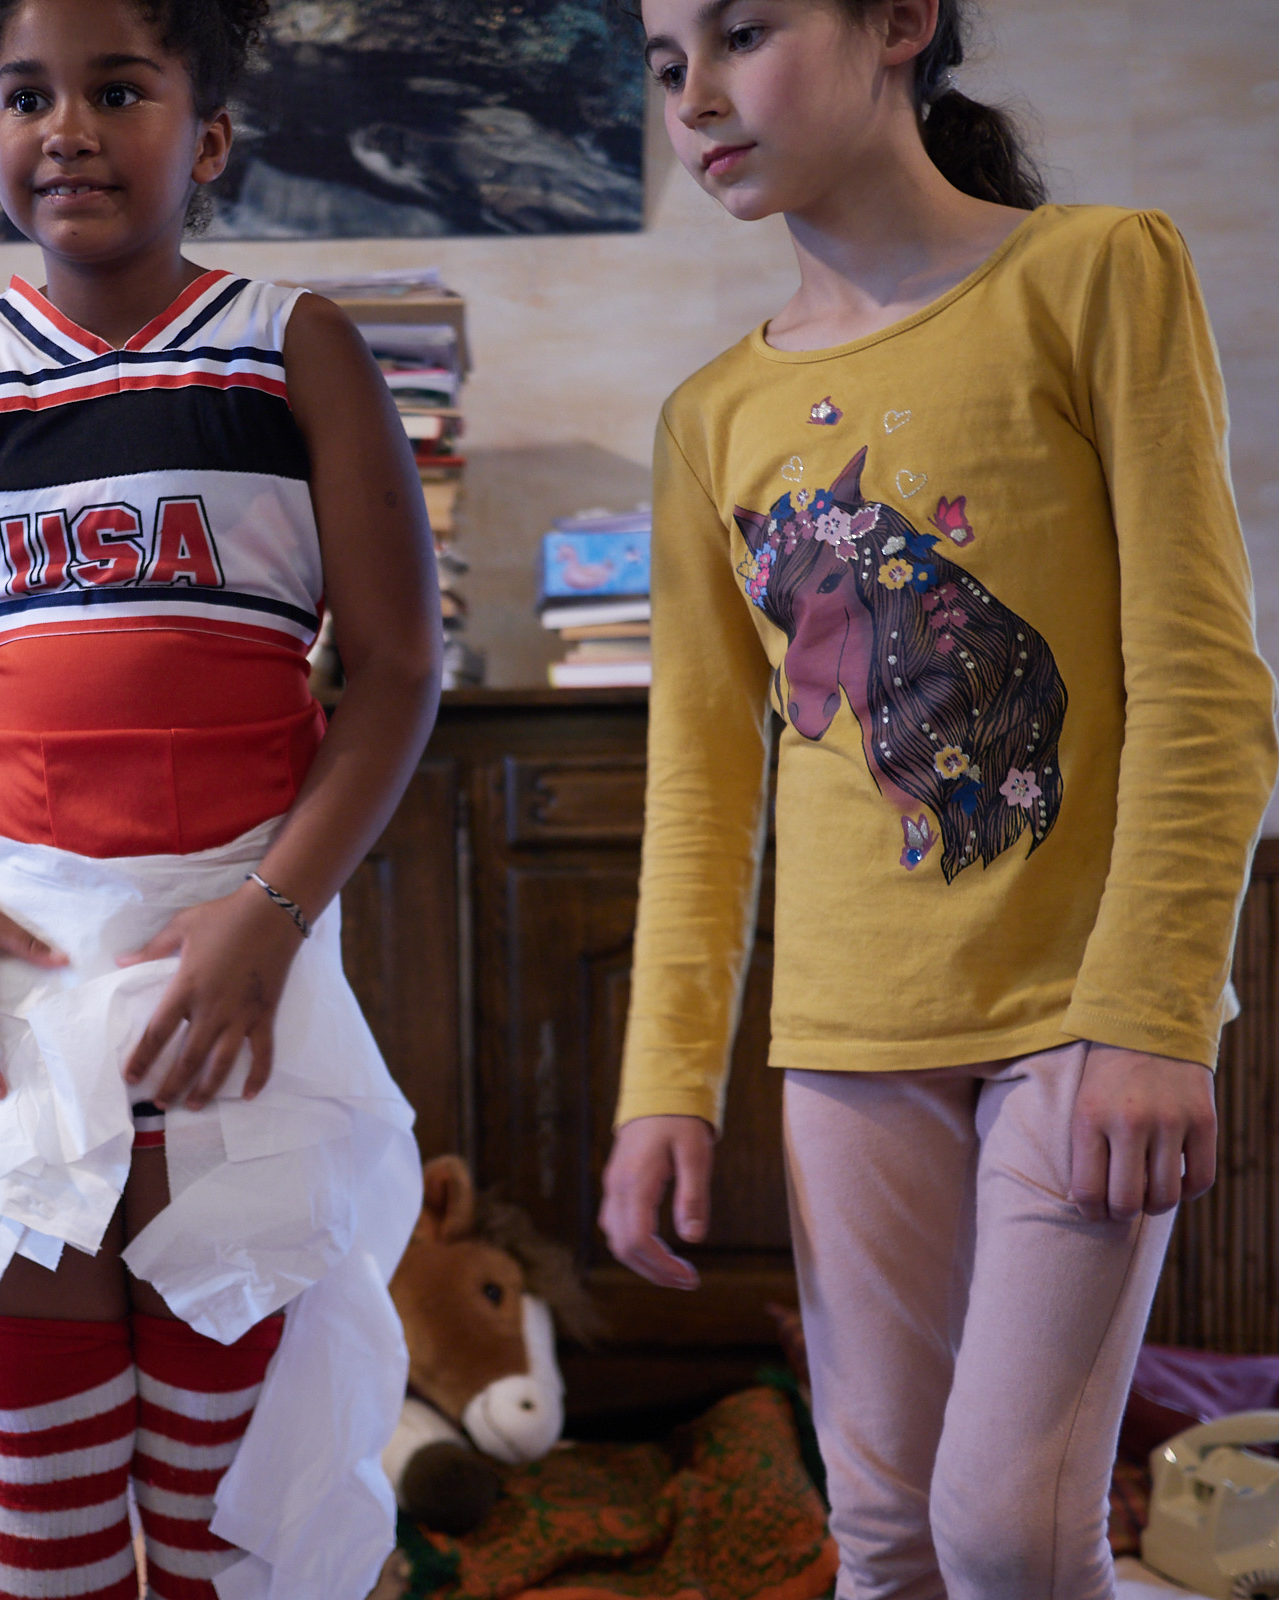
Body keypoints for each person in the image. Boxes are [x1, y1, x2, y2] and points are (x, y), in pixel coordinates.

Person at [599, 1, 1277, 1595]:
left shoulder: (1095, 274)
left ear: (900, 21)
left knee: (1005, 1532)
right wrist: (660, 1085)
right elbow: (701, 788)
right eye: (663, 61)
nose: (696, 95)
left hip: (1079, 1021)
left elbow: (1202, 683)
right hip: (849, 1042)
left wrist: (1153, 1016)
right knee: (888, 1540)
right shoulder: (709, 418)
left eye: (741, 30)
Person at [0, 0, 441, 1594]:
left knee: (208, 1465)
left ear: (211, 136)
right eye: (25, 96)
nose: (67, 129)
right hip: (16, 950)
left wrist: (268, 916)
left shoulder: (292, 345)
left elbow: (394, 669)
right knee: (39, 1451)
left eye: (118, 91)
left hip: (228, 946)